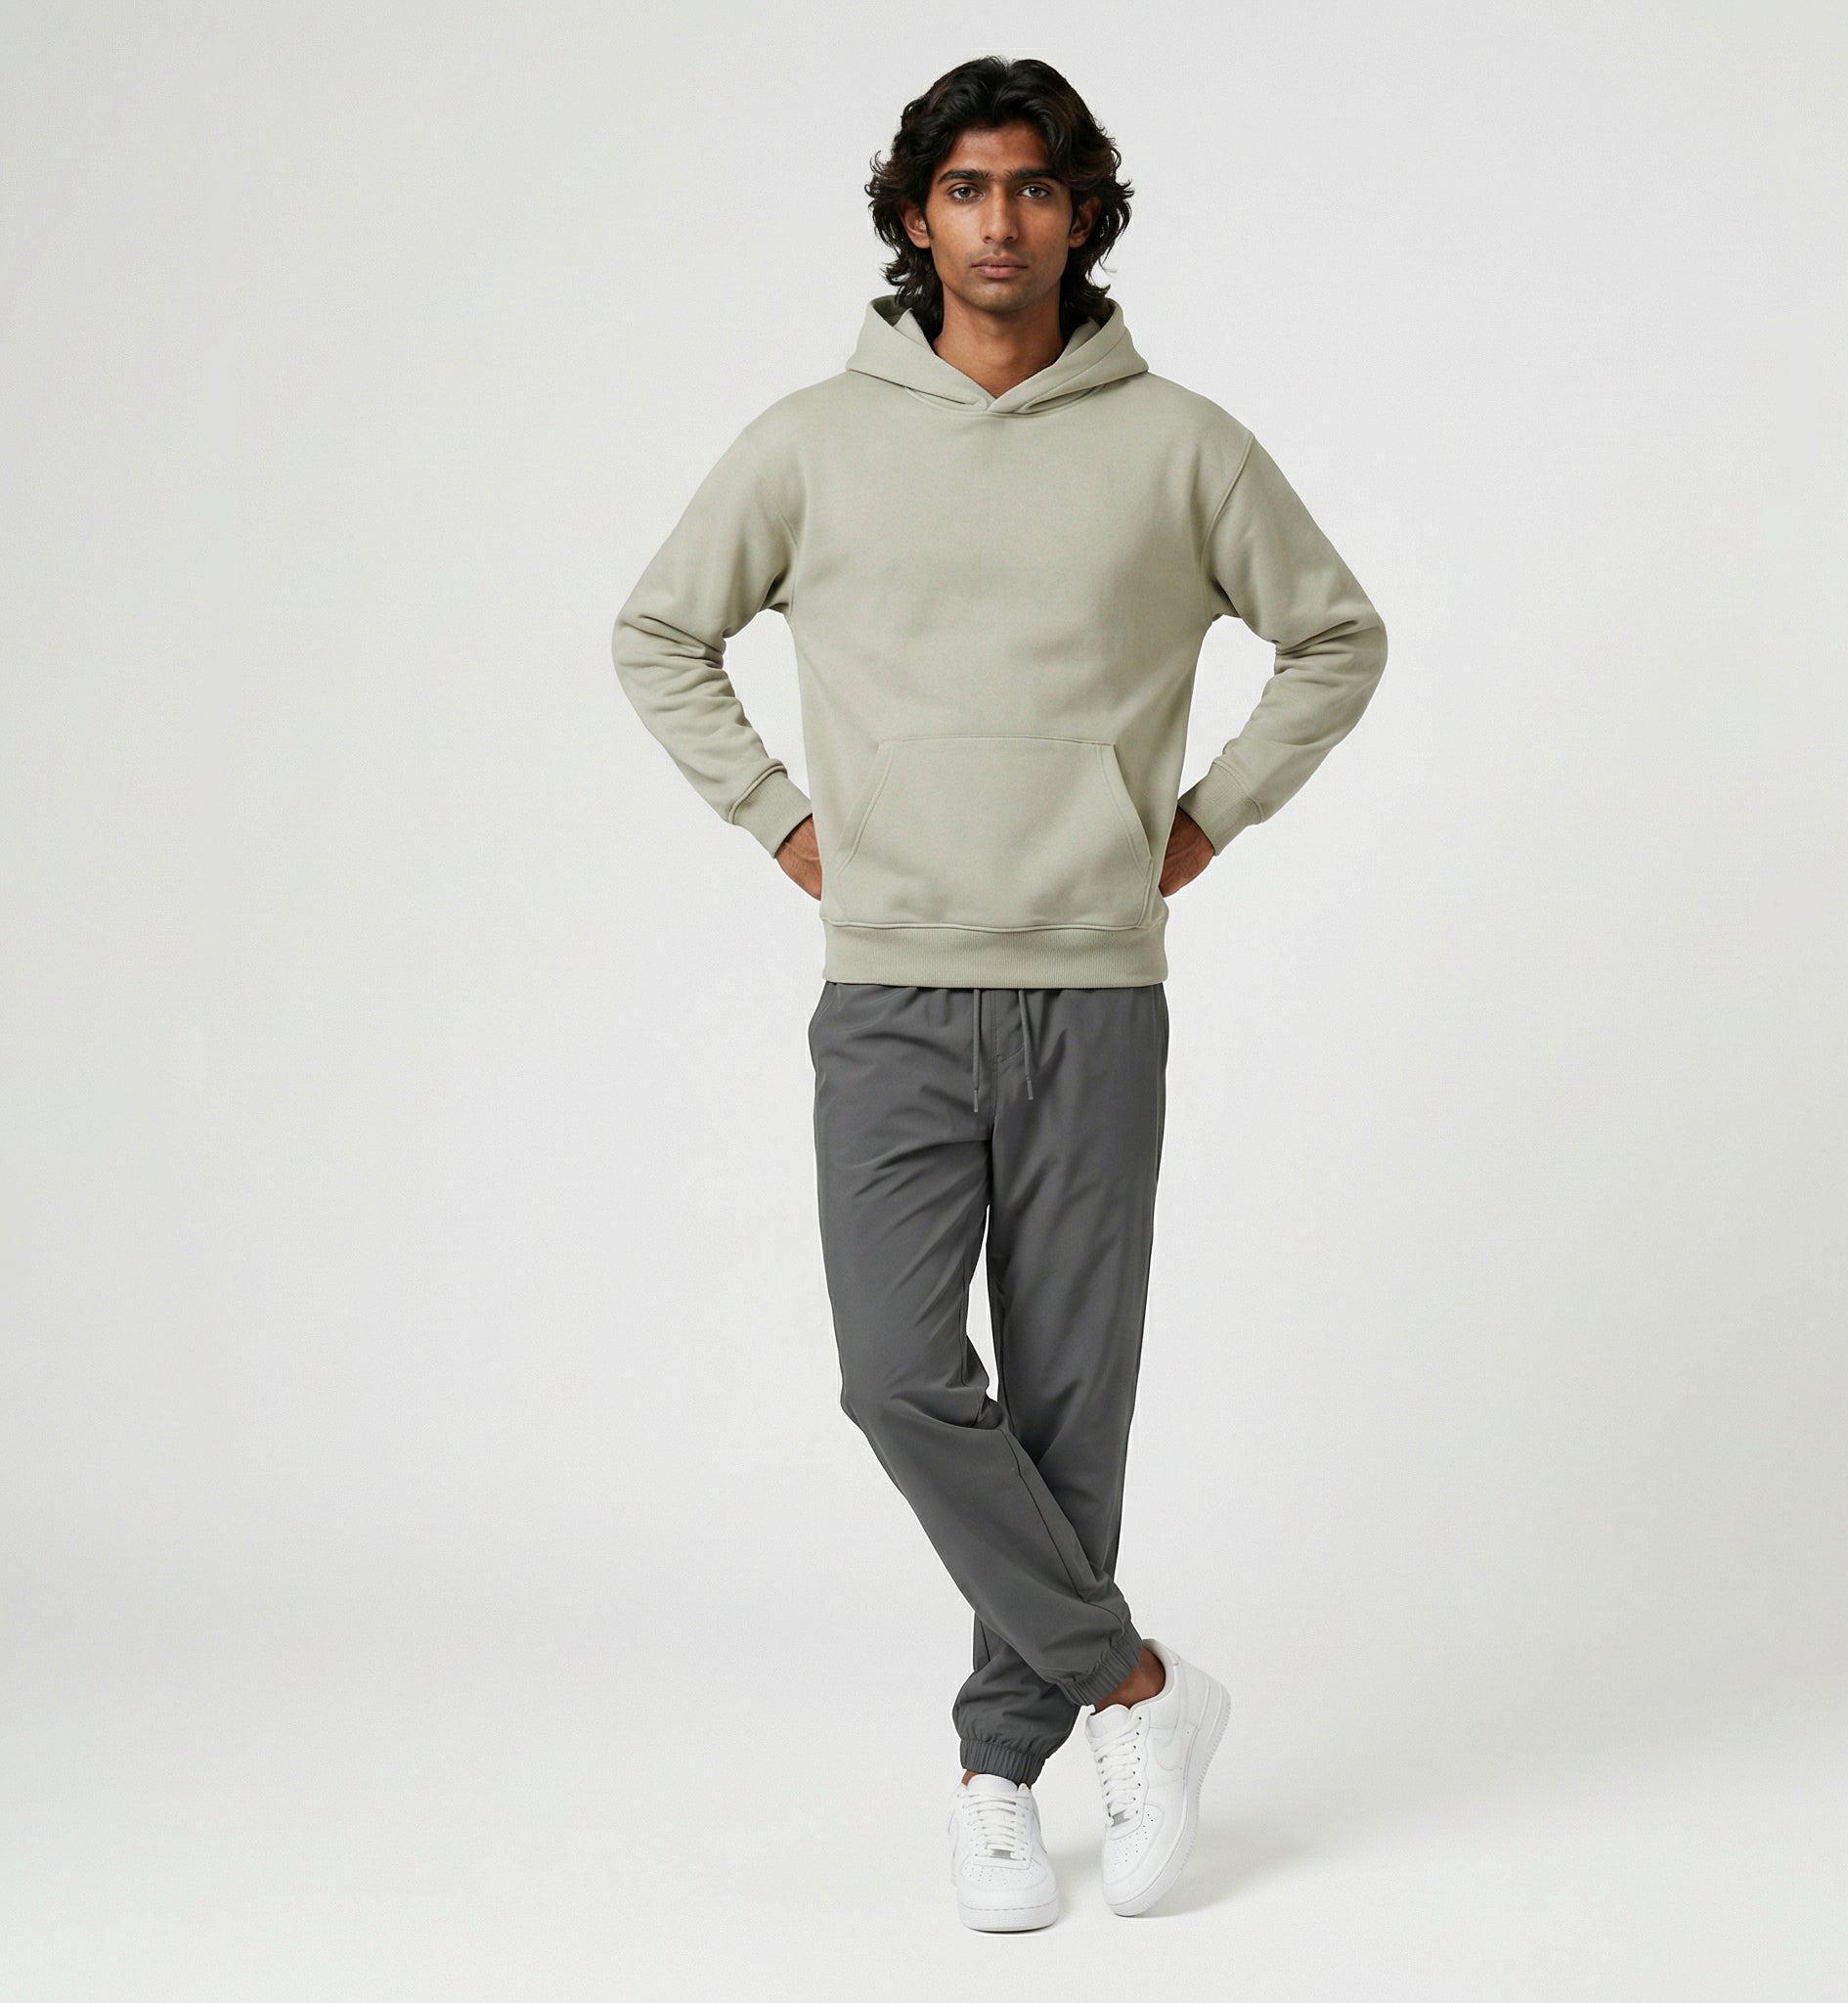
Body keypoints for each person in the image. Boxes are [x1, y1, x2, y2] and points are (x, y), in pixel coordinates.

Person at [611, 55, 1387, 1930]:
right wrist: (789, 826)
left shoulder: (1179, 444)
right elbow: (659, 630)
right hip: (890, 986)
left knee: (1066, 1401)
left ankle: (995, 1774)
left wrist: (1201, 822)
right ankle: (1136, 1684)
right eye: (965, 187)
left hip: (1095, 989)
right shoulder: (813, 441)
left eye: (1034, 187)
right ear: (914, 215)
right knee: (897, 1375)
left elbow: (1336, 634)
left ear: (1084, 212)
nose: (1001, 221)